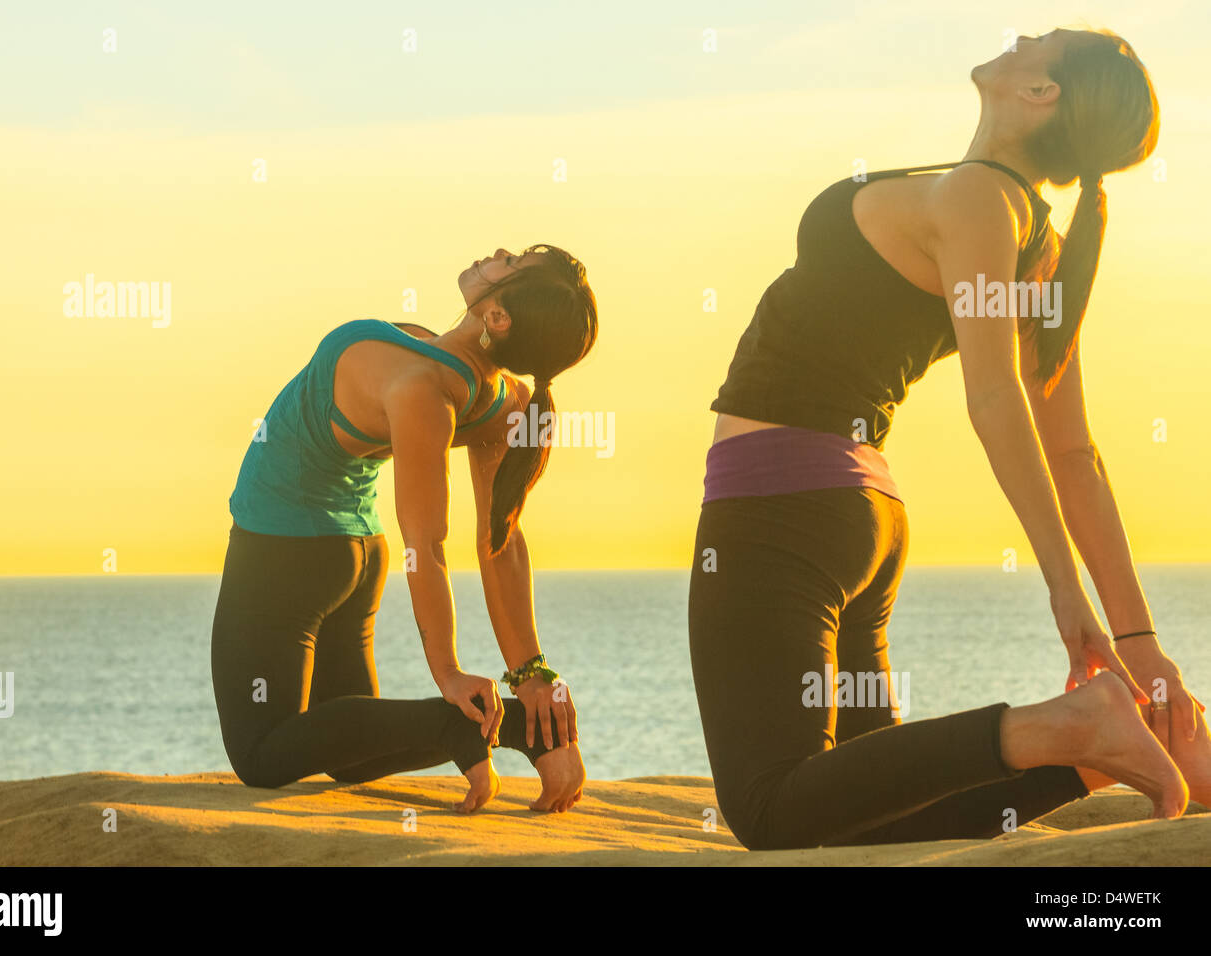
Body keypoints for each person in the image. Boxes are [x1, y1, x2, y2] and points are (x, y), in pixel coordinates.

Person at [688, 28, 1210, 850]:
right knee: (870, 829)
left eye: (1041, 41)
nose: (1021, 36)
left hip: (781, 506)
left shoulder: (977, 197)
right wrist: (1137, 643)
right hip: (860, 517)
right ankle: (1093, 759)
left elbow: (996, 397)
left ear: (1043, 94)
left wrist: (1064, 588)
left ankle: (1062, 728)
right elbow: (1074, 453)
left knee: (767, 810)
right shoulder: (1029, 235)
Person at [211, 245, 596, 813]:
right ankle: (521, 728)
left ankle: (457, 727)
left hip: (283, 555)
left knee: (262, 756)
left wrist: (446, 672)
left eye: (509, 265)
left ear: (498, 318)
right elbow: (501, 543)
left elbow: (429, 545)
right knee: (352, 758)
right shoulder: (500, 398)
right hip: (357, 557)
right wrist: (530, 674)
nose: (497, 254)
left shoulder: (421, 387)